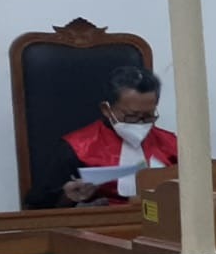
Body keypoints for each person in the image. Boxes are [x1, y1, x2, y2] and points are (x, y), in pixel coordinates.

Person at [25, 66, 178, 209]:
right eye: (132, 116)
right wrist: (69, 197)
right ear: (106, 109)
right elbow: (39, 207)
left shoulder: (170, 143)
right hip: (102, 223)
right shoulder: (77, 147)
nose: (140, 123)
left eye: (148, 116)